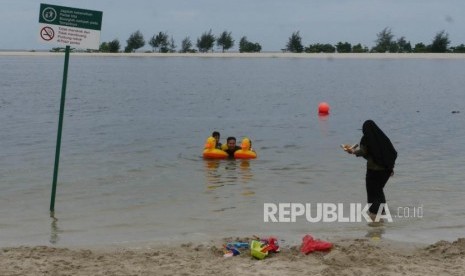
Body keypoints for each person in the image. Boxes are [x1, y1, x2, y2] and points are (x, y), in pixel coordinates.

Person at [346, 120, 397, 218]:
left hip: (373, 170)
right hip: (386, 170)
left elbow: (363, 152)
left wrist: (352, 151)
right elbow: (392, 153)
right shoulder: (383, 138)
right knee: (379, 190)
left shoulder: (366, 139)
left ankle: (374, 214)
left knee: (372, 191)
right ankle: (381, 212)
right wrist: (391, 167)